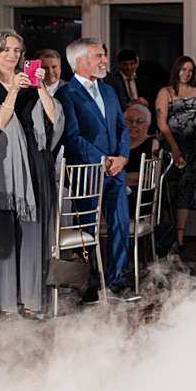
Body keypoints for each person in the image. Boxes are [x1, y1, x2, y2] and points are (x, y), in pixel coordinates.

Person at [0, 30, 64, 318]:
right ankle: (5, 301)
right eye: (5, 50)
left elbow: (55, 119)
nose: (12, 55)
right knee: (4, 234)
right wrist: (13, 90)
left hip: (37, 163)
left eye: (16, 50)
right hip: (5, 168)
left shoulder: (34, 83)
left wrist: (40, 87)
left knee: (34, 233)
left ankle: (33, 300)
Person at [56, 38, 131, 296]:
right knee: (86, 230)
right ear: (80, 61)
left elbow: (122, 127)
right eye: (99, 56)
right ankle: (88, 285)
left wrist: (122, 157)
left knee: (121, 225)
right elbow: (71, 136)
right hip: (86, 172)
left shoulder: (109, 90)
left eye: (103, 55)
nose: (104, 60)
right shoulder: (66, 94)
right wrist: (102, 160)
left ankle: (116, 282)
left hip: (116, 171)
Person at [155, 56, 196, 250]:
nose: (186, 73)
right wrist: (174, 148)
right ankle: (167, 236)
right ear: (176, 70)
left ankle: (180, 238)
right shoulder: (166, 92)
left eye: (190, 70)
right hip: (172, 147)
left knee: (187, 191)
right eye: (183, 69)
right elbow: (161, 123)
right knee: (171, 190)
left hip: (194, 148)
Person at [123, 101, 160, 193]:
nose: (134, 125)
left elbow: (152, 176)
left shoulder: (152, 143)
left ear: (148, 124)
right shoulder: (118, 142)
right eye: (129, 121)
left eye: (139, 122)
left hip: (141, 193)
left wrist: (120, 177)